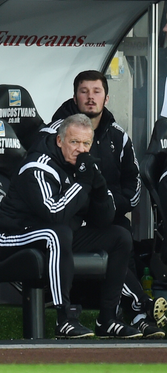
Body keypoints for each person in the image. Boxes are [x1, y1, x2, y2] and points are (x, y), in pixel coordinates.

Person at [40, 70, 166, 338]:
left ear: (106, 98)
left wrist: (106, 205)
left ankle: (130, 315)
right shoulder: (54, 133)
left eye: (96, 91)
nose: (90, 97)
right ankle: (141, 309)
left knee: (121, 235)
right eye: (84, 91)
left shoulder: (118, 135)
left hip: (106, 214)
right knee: (111, 237)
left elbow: (133, 189)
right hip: (66, 216)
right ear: (75, 97)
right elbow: (47, 179)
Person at [0, 114, 142, 339]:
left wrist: (99, 186)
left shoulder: (83, 165)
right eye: (74, 142)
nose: (80, 149)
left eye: (86, 144)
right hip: (10, 235)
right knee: (58, 232)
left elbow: (104, 218)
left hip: (56, 235)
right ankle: (64, 318)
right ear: (60, 141)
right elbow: (54, 214)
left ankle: (108, 319)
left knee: (119, 236)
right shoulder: (38, 165)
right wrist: (83, 182)